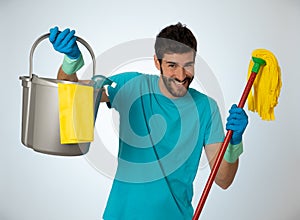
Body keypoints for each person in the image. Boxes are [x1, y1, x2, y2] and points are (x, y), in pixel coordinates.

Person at [49, 23, 248, 220]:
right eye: (172, 66)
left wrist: (235, 143)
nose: (181, 76)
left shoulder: (206, 107)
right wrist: (70, 61)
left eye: (188, 66)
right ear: (157, 62)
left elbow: (223, 179)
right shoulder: (131, 85)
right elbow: (73, 95)